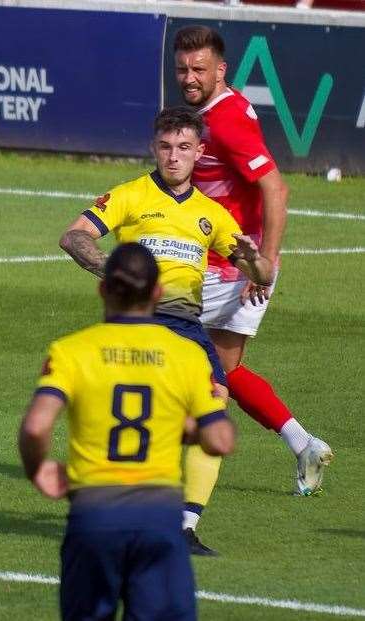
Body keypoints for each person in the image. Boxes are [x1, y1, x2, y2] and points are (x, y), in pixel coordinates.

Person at [60, 106, 273, 556]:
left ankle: (182, 525)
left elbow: (263, 272)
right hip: (138, 318)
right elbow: (74, 236)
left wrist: (254, 260)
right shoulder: (130, 195)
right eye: (165, 147)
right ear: (153, 148)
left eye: (183, 148)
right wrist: (113, 269)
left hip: (186, 325)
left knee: (215, 404)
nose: (173, 156)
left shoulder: (210, 215)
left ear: (199, 152)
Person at [19, 242, 236, 621]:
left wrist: (39, 469)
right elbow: (220, 440)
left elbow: (37, 427)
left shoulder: (71, 350)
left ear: (103, 289)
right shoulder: (187, 355)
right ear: (156, 293)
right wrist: (184, 428)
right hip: (158, 517)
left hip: (93, 514)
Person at [173, 25, 333, 538]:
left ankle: (163, 482)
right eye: (182, 69)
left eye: (199, 69)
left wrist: (262, 261)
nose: (189, 78)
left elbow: (275, 186)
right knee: (225, 367)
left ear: (220, 70)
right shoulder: (223, 108)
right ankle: (304, 444)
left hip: (230, 267)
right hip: (232, 260)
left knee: (173, 352)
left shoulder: (225, 123)